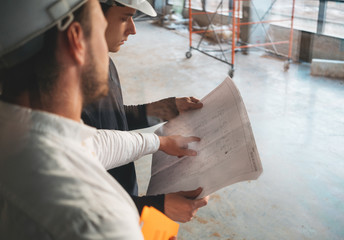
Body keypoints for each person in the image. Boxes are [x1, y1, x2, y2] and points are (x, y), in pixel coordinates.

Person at [0, 0, 196, 238]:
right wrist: (154, 207)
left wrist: (160, 141)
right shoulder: (100, 221)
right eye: (99, 21)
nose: (133, 30)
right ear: (76, 39)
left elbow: (96, 143)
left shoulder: (19, 131)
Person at [82, 0, 210, 223]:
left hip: (123, 193)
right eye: (123, 18)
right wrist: (152, 207)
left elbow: (115, 118)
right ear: (91, 16)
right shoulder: (66, 90)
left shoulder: (106, 63)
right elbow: (83, 200)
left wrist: (169, 107)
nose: (133, 29)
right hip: (107, 217)